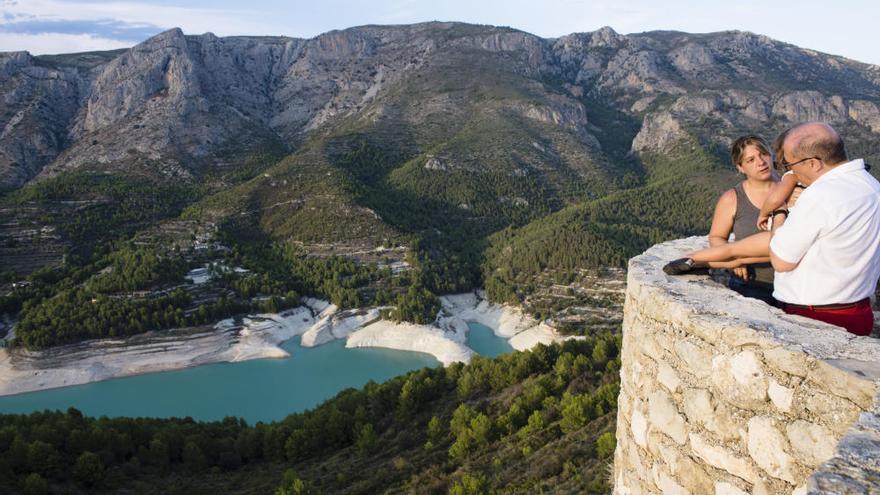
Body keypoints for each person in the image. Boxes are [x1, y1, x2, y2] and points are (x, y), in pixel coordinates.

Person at [768, 122, 880, 335]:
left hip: (814, 318)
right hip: (859, 312)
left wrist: (779, 213)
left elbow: (781, 261)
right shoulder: (872, 186)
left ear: (813, 163)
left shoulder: (821, 196)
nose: (791, 172)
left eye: (789, 165)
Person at [664, 135, 781, 303]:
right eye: (751, 160)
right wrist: (734, 262)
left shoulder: (792, 186)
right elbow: (716, 237)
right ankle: (698, 260)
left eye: (764, 154)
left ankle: (700, 261)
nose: (761, 162)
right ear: (740, 167)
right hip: (753, 285)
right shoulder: (732, 199)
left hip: (796, 285)